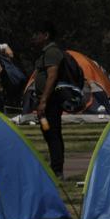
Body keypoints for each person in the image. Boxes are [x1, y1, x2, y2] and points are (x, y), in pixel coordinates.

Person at [30, 21, 66, 179]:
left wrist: (44, 100)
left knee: (53, 134)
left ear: (46, 35)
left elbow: (52, 76)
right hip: (44, 101)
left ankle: (57, 170)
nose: (34, 37)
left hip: (50, 101)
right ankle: (54, 166)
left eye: (37, 34)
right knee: (48, 132)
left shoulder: (52, 52)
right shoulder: (45, 53)